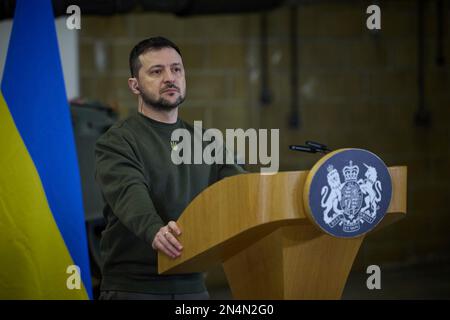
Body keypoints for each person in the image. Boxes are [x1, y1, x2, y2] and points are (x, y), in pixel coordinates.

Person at [94, 36, 245, 300]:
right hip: (134, 289)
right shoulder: (117, 140)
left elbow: (240, 189)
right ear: (135, 85)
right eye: (156, 71)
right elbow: (129, 192)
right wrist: (155, 229)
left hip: (193, 288)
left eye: (176, 69)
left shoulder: (207, 142)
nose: (170, 77)